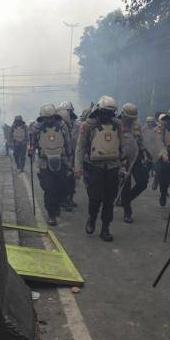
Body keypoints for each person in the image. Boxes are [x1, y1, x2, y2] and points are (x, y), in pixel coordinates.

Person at [75, 95, 122, 242]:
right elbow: (80, 147)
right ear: (99, 110)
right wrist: (78, 167)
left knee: (109, 200)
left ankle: (105, 228)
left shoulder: (118, 125)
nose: (108, 116)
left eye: (111, 112)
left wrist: (124, 164)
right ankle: (92, 218)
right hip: (94, 166)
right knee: (95, 198)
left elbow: (124, 145)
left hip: (113, 167)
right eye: (105, 112)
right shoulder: (88, 125)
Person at [29, 104, 73, 226]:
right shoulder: (36, 129)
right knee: (49, 189)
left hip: (61, 160)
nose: (48, 120)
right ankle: (51, 214)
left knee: (62, 187)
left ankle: (57, 205)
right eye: (46, 118)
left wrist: (69, 158)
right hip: (45, 163)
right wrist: (31, 152)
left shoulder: (62, 126)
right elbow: (32, 144)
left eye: (50, 118)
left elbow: (68, 142)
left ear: (54, 116)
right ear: (42, 118)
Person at [117, 103, 151, 223]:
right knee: (125, 185)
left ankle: (126, 200)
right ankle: (127, 212)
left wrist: (145, 154)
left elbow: (140, 141)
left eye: (133, 118)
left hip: (136, 157)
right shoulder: (116, 124)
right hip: (122, 160)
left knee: (143, 182)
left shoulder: (136, 125)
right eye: (129, 118)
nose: (131, 120)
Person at [57, 101, 80, 210]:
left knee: (72, 179)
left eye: (68, 111)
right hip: (61, 156)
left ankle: (69, 198)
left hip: (73, 155)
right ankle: (63, 199)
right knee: (62, 179)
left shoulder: (77, 125)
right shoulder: (57, 126)